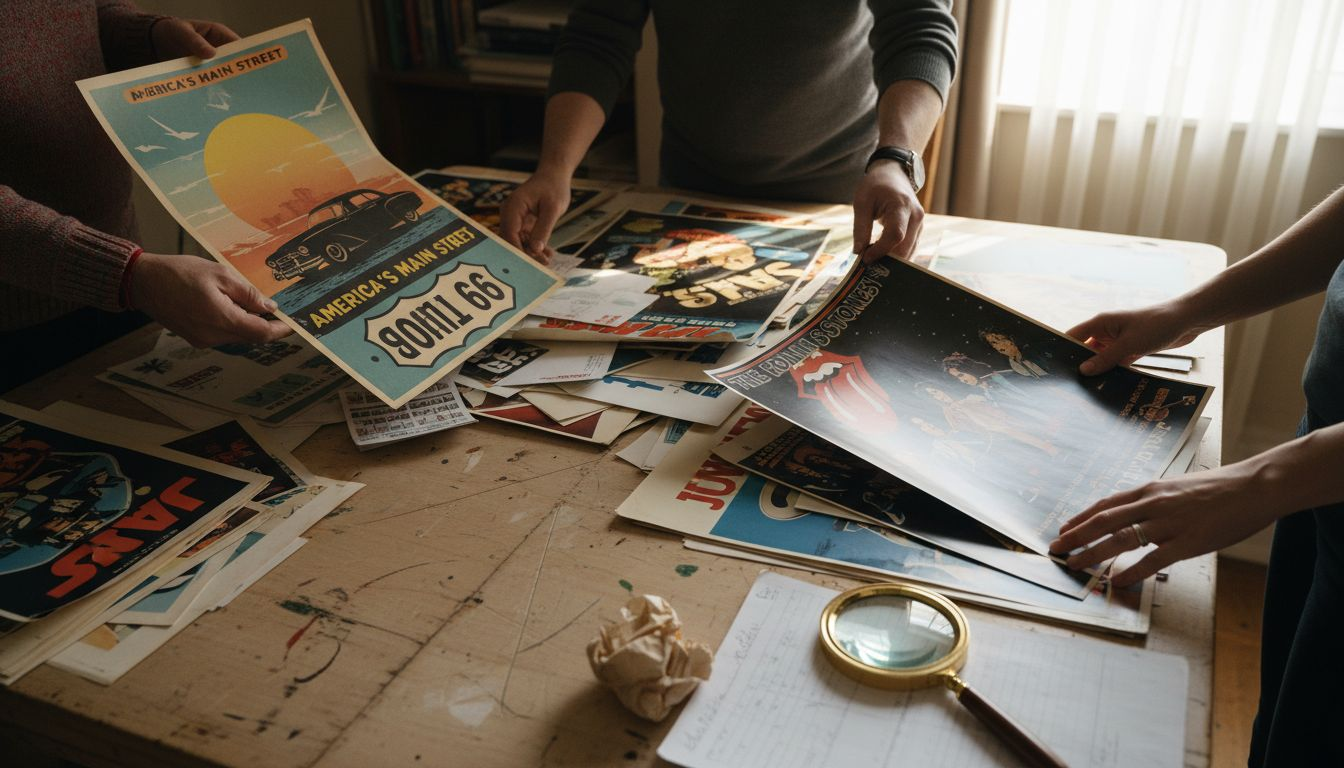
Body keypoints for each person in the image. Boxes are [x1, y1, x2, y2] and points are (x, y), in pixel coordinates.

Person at [1051, 186, 1344, 766]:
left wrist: (1268, 480)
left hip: (1312, 469)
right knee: (1284, 721)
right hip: (1320, 448)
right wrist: (1186, 313)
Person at [499, 0, 957, 264]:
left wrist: (897, 158)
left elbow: (919, 31)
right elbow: (598, 38)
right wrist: (554, 168)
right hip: (689, 186)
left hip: (843, 196)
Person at [0, 2, 288, 392]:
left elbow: (79, 14)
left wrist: (147, 37)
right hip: (21, 325)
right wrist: (125, 274)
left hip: (121, 288)